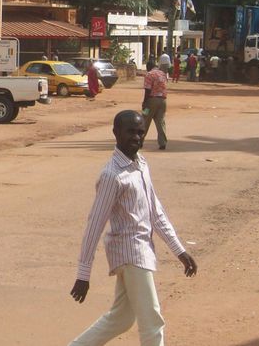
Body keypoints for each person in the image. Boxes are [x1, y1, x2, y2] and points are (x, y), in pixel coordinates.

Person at [67, 110, 198, 346]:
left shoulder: (141, 164)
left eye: (141, 132)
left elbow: (155, 212)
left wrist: (179, 250)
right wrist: (83, 274)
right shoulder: (112, 175)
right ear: (116, 133)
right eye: (130, 132)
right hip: (131, 254)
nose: (136, 137)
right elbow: (94, 224)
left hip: (143, 250)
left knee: (122, 319)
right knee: (152, 320)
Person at [141, 61, 168, 150]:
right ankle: (162, 142)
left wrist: (144, 103)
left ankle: (139, 141)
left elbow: (147, 90)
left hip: (151, 100)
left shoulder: (149, 74)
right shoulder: (163, 73)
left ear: (149, 67)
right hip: (163, 101)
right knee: (160, 121)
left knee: (144, 120)